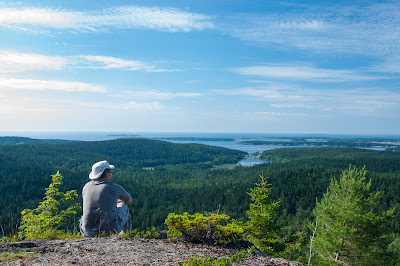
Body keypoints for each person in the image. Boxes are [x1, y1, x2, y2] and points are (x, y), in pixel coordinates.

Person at [80, 160, 132, 237]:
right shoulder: (113, 187)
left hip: (87, 231)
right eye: (110, 172)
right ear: (106, 174)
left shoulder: (86, 187)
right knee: (124, 206)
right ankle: (125, 235)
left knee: (83, 217)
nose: (111, 174)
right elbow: (129, 201)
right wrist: (118, 201)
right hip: (108, 230)